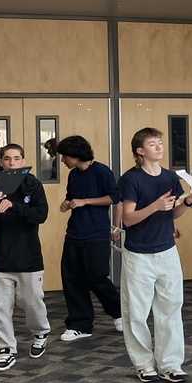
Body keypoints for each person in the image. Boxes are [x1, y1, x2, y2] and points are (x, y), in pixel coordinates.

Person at [118, 128, 192, 383]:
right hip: (138, 254)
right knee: (136, 313)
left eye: (160, 142)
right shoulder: (131, 179)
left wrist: (186, 203)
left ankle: (171, 364)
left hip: (167, 252)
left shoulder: (170, 177)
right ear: (140, 151)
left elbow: (172, 214)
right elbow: (127, 219)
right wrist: (154, 206)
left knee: (171, 309)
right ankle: (143, 364)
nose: (159, 147)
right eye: (153, 144)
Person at [0, 143, 51, 372]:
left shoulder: (34, 185)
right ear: (1, 162)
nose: (12, 163)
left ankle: (40, 332)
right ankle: (5, 349)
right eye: (7, 159)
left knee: (31, 302)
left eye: (17, 158)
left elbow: (40, 216)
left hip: (28, 257)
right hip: (1, 257)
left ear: (23, 161)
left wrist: (15, 206)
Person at [55, 135, 122, 341]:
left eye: (64, 156)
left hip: (97, 234)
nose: (62, 160)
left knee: (96, 277)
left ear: (76, 155)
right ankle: (80, 324)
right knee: (72, 279)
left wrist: (85, 201)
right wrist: (68, 204)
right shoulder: (74, 175)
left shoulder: (102, 171)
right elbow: (71, 197)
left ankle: (120, 312)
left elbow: (114, 197)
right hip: (74, 233)